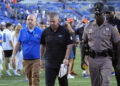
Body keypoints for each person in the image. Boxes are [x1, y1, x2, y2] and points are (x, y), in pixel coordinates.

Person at [81, 2, 120, 86]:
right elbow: (83, 44)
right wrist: (82, 60)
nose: (97, 16)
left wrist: (118, 61)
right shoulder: (88, 26)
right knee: (95, 83)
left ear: (104, 14)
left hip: (106, 59)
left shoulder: (111, 27)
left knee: (106, 82)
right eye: (96, 14)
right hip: (92, 59)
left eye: (100, 14)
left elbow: (117, 45)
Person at [40, 12, 73, 86]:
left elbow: (70, 45)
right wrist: (41, 59)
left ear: (58, 20)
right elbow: (42, 45)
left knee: (63, 83)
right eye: (50, 21)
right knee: (49, 84)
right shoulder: (45, 32)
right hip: (49, 64)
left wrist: (66, 58)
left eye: (53, 21)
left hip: (62, 64)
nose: (51, 23)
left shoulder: (64, 31)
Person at [12, 14, 43, 86]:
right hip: (25, 59)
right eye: (28, 19)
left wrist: (43, 58)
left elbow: (44, 45)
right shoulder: (22, 31)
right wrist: (13, 55)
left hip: (36, 59)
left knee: (35, 77)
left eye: (31, 20)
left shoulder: (40, 31)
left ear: (35, 22)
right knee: (29, 79)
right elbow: (17, 44)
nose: (30, 21)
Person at [105, 5, 120, 86]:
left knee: (118, 73)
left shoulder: (118, 23)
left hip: (117, 52)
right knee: (105, 75)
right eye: (106, 13)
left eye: (109, 13)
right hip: (106, 52)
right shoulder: (104, 24)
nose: (107, 14)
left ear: (113, 12)